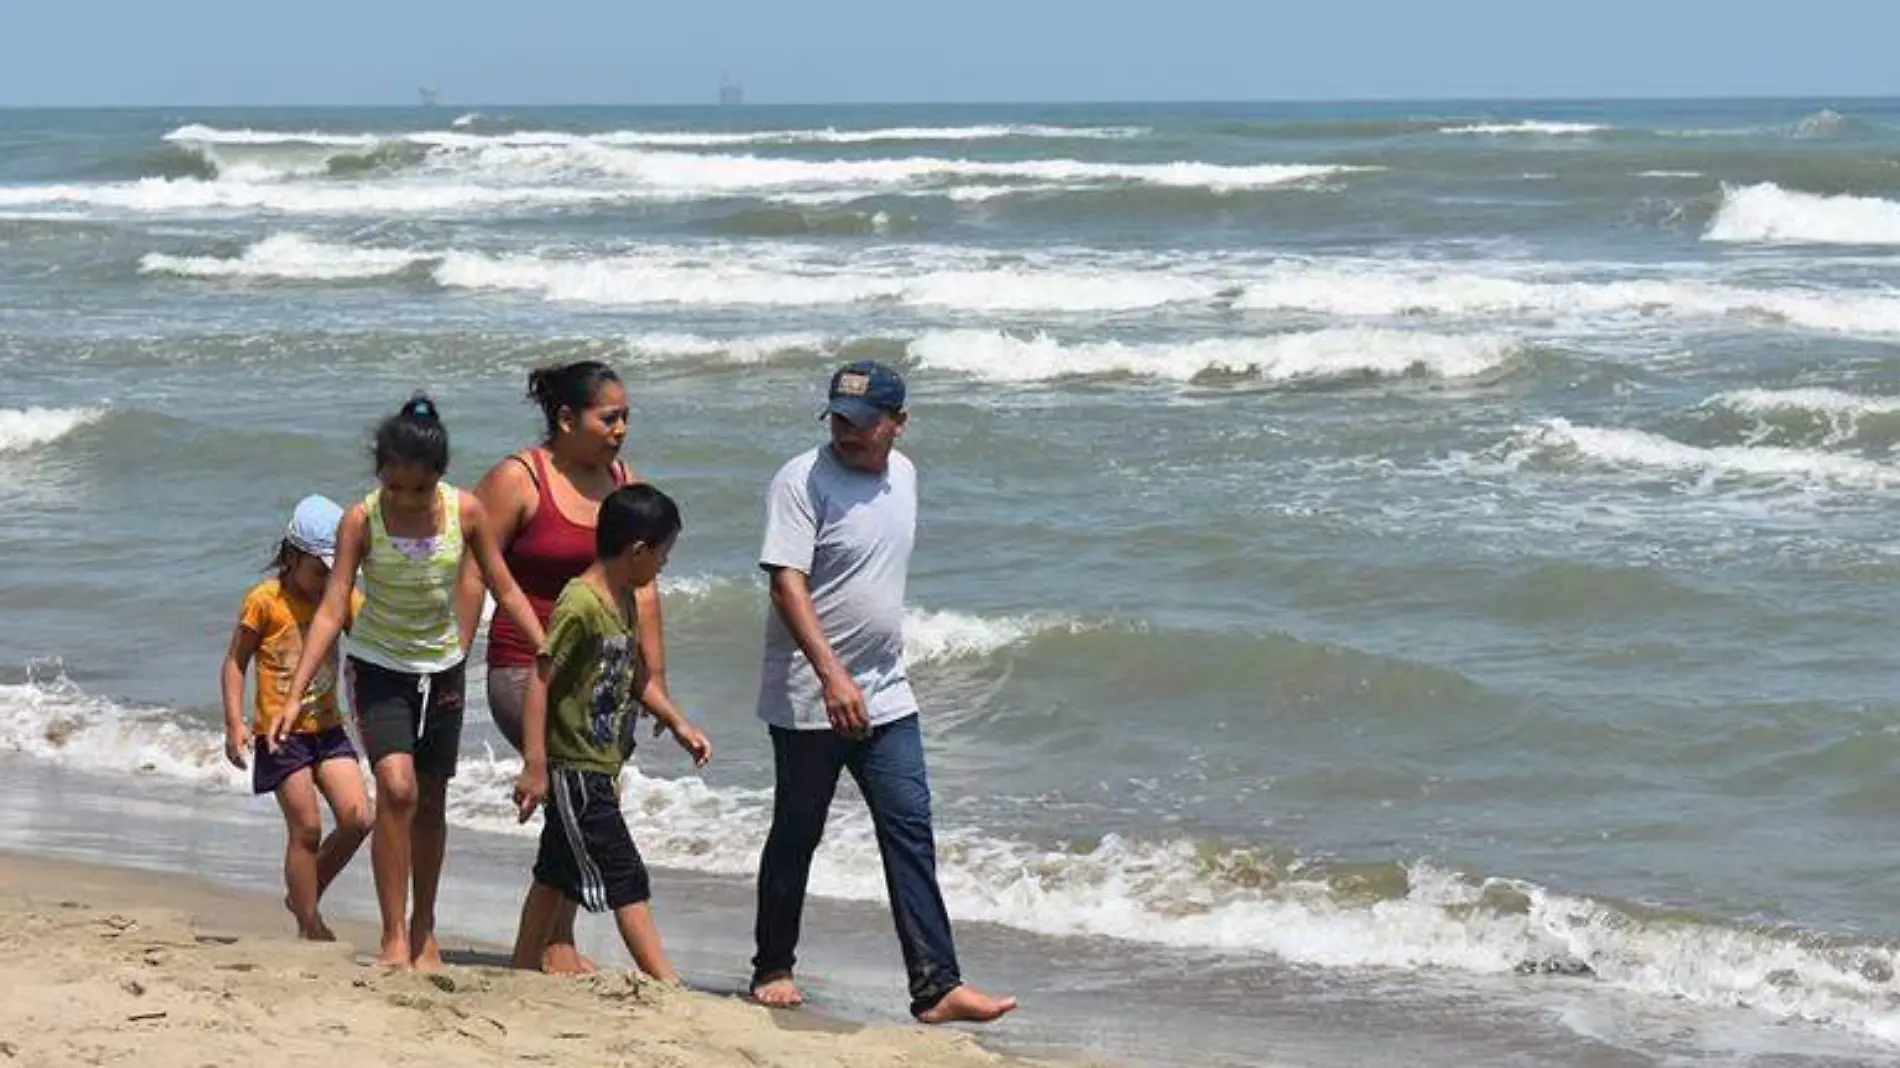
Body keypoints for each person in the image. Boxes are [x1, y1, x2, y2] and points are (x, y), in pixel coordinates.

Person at [749, 360, 1017, 1024]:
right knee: (797, 832)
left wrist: (864, 672)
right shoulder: (801, 481)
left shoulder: (905, 476)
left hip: (887, 692)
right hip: (811, 695)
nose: (848, 432)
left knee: (909, 830)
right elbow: (787, 583)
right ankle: (772, 966)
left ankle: (935, 987)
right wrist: (832, 675)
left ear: (898, 423)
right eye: (838, 419)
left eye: (864, 423)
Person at [281, 394, 547, 972]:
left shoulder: (467, 513)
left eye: (417, 490)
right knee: (396, 790)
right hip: (378, 668)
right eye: (392, 487)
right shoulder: (362, 519)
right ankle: (393, 934)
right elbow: (331, 609)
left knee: (429, 803)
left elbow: (504, 585)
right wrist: (298, 688)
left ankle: (425, 926)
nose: (403, 500)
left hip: (443, 670)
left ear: (438, 479)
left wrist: (540, 642)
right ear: (380, 478)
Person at [460, 360, 677, 974]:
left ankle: (543, 945)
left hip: (604, 674)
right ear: (565, 418)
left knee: (579, 796)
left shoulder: (623, 482)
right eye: (609, 418)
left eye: (626, 418)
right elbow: (476, 567)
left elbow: (643, 589)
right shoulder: (518, 478)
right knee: (576, 787)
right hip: (526, 670)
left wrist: (654, 682)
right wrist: (453, 652)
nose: (621, 430)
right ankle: (560, 944)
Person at [510, 484, 712, 983]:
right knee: (625, 874)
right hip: (574, 768)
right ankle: (667, 982)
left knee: (556, 873)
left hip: (599, 764)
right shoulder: (580, 603)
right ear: (638, 550)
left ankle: (518, 970)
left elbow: (636, 675)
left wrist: (678, 723)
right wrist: (535, 765)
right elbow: (540, 679)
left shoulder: (622, 600)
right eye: (663, 555)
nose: (664, 566)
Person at [219, 494, 372, 942]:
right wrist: (235, 722)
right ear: (291, 556)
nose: (326, 581)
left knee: (359, 818)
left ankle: (303, 892)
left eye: (334, 571)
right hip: (280, 734)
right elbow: (234, 663)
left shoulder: (343, 599)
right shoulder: (264, 601)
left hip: (328, 728)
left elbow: (373, 641)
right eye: (318, 571)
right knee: (306, 826)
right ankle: (310, 922)